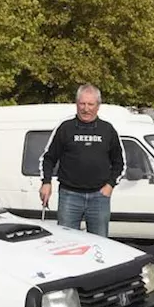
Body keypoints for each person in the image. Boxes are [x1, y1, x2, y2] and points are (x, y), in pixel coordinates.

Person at [39, 84, 123, 236]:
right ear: (76, 104)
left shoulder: (108, 130)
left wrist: (110, 185)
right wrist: (46, 182)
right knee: (67, 242)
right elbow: (48, 158)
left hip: (99, 196)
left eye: (90, 104)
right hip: (69, 196)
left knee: (100, 244)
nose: (86, 108)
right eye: (82, 104)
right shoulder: (65, 128)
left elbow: (119, 163)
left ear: (98, 106)